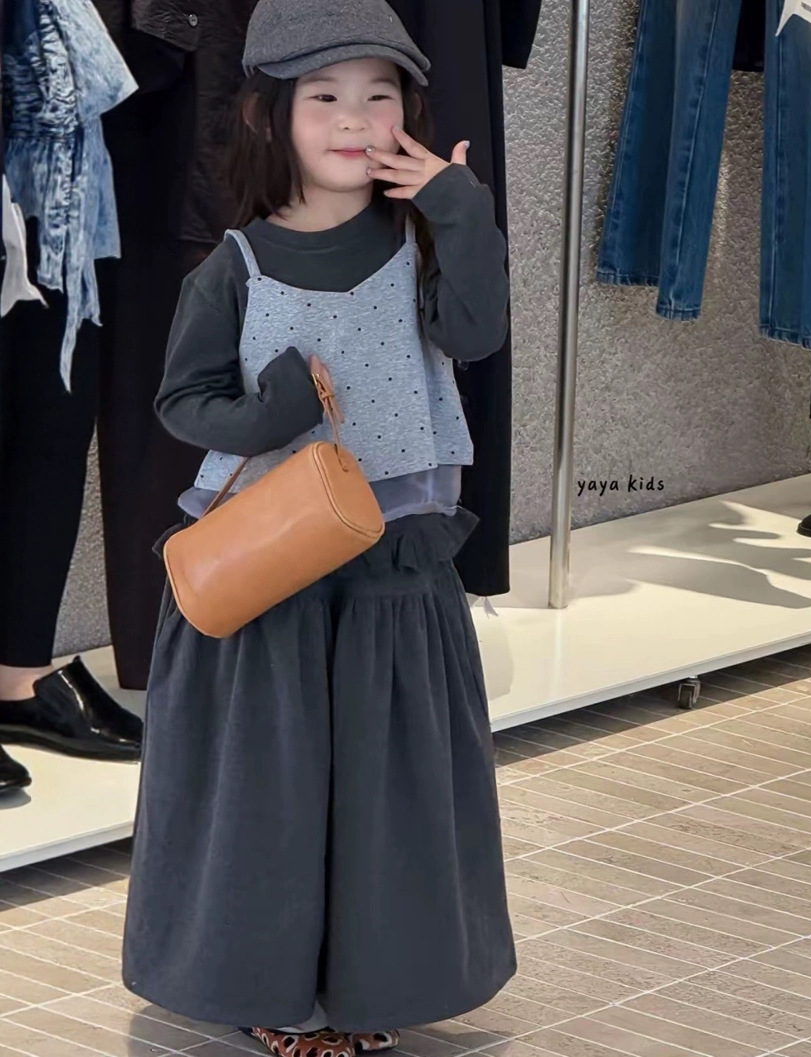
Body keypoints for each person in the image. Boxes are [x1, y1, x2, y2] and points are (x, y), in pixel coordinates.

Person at [120, 2, 517, 1054]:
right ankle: (276, 996)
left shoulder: (421, 243)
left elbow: (476, 332)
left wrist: (461, 206)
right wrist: (273, 413)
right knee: (271, 790)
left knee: (385, 788)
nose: (353, 119)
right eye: (324, 97)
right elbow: (182, 401)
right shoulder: (232, 266)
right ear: (270, 117)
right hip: (272, 571)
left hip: (392, 561)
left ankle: (370, 993)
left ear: (408, 115)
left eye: (378, 96)